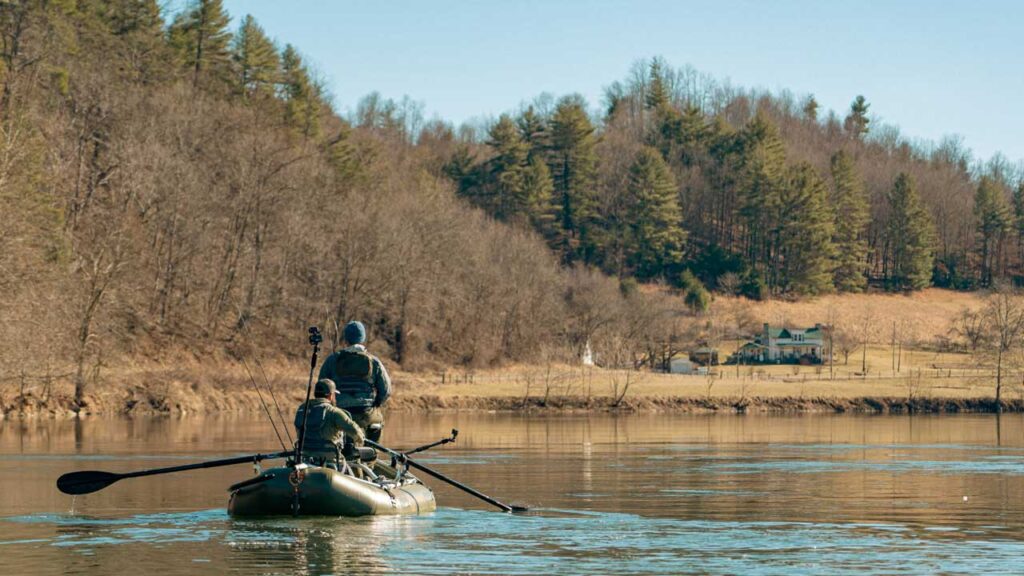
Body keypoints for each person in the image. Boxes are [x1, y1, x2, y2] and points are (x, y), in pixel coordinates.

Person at [318, 320, 391, 442]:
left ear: (346, 339)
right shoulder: (374, 361)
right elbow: (386, 390)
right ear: (362, 338)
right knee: (376, 423)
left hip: (340, 412)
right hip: (366, 413)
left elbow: (321, 386)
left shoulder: (332, 360)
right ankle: (371, 456)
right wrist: (376, 403)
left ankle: (341, 455)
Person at [294, 378, 365, 465]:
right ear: (330, 395)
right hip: (331, 462)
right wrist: (361, 440)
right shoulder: (334, 412)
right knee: (355, 459)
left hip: (305, 459)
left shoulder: (302, 409)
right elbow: (356, 432)